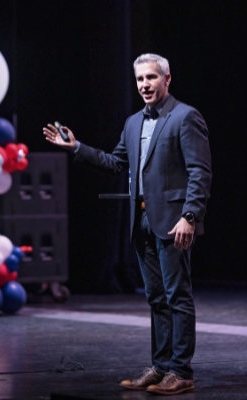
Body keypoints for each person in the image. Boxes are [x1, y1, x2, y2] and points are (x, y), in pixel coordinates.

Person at [43, 53, 212, 396]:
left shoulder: (185, 117)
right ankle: (161, 366)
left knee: (177, 295)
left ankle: (181, 371)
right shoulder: (134, 122)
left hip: (174, 221)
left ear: (167, 78)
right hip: (143, 221)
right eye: (139, 80)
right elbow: (115, 162)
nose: (145, 85)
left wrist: (190, 215)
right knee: (155, 297)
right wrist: (76, 147)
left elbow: (200, 171)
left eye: (151, 78)